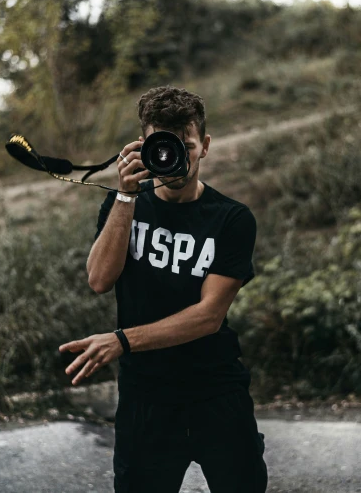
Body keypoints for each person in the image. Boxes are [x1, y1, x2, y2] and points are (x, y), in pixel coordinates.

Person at [58, 86, 268, 492]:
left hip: (216, 393)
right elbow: (99, 280)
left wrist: (121, 340)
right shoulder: (125, 204)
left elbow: (209, 317)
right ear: (143, 146)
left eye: (185, 146)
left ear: (204, 146)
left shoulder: (232, 220)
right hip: (146, 399)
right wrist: (124, 196)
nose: (175, 159)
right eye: (162, 146)